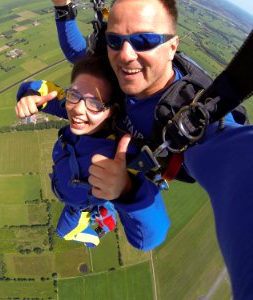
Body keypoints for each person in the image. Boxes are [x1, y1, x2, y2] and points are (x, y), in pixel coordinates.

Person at [42, 0, 253, 298]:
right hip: (113, 156)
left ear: (172, 46)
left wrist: (127, 190)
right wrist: (63, 9)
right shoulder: (118, 62)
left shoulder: (197, 125)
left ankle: (102, 211)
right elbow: (81, 57)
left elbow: (149, 238)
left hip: (130, 176)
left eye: (145, 41)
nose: (126, 54)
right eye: (115, 40)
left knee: (74, 214)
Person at [16, 55, 170, 250]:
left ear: (112, 110)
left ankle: (96, 235)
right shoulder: (77, 109)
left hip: (80, 206)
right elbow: (43, 89)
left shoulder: (120, 155)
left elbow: (150, 238)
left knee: (65, 233)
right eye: (74, 95)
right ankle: (106, 208)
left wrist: (126, 189)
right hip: (75, 191)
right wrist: (28, 94)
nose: (78, 109)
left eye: (95, 104)